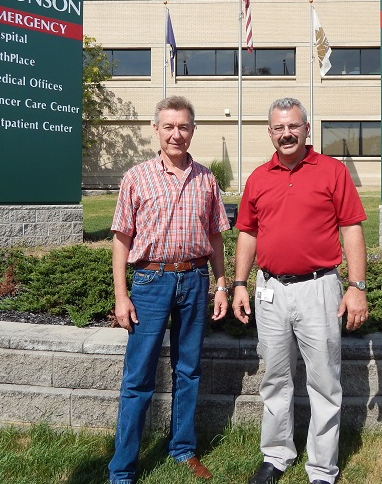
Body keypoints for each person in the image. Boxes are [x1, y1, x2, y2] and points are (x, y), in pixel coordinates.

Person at [231, 97, 368, 484]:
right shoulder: (258, 177)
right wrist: (240, 283)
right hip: (270, 289)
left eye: (293, 126)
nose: (286, 133)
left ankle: (322, 469)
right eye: (279, 127)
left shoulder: (332, 171)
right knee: (275, 378)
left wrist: (357, 286)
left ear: (307, 129)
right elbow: (247, 232)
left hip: (318, 288)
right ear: (270, 133)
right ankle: (276, 455)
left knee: (324, 380)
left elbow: (352, 228)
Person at [108, 96, 230, 484]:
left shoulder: (206, 178)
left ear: (192, 130)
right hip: (149, 283)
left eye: (184, 127)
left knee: (188, 370)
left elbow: (215, 236)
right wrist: (121, 295)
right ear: (157, 130)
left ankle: (182, 448)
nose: (176, 134)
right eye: (169, 127)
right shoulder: (136, 176)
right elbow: (121, 239)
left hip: (194, 280)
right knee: (139, 376)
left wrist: (222, 283)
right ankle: (123, 467)